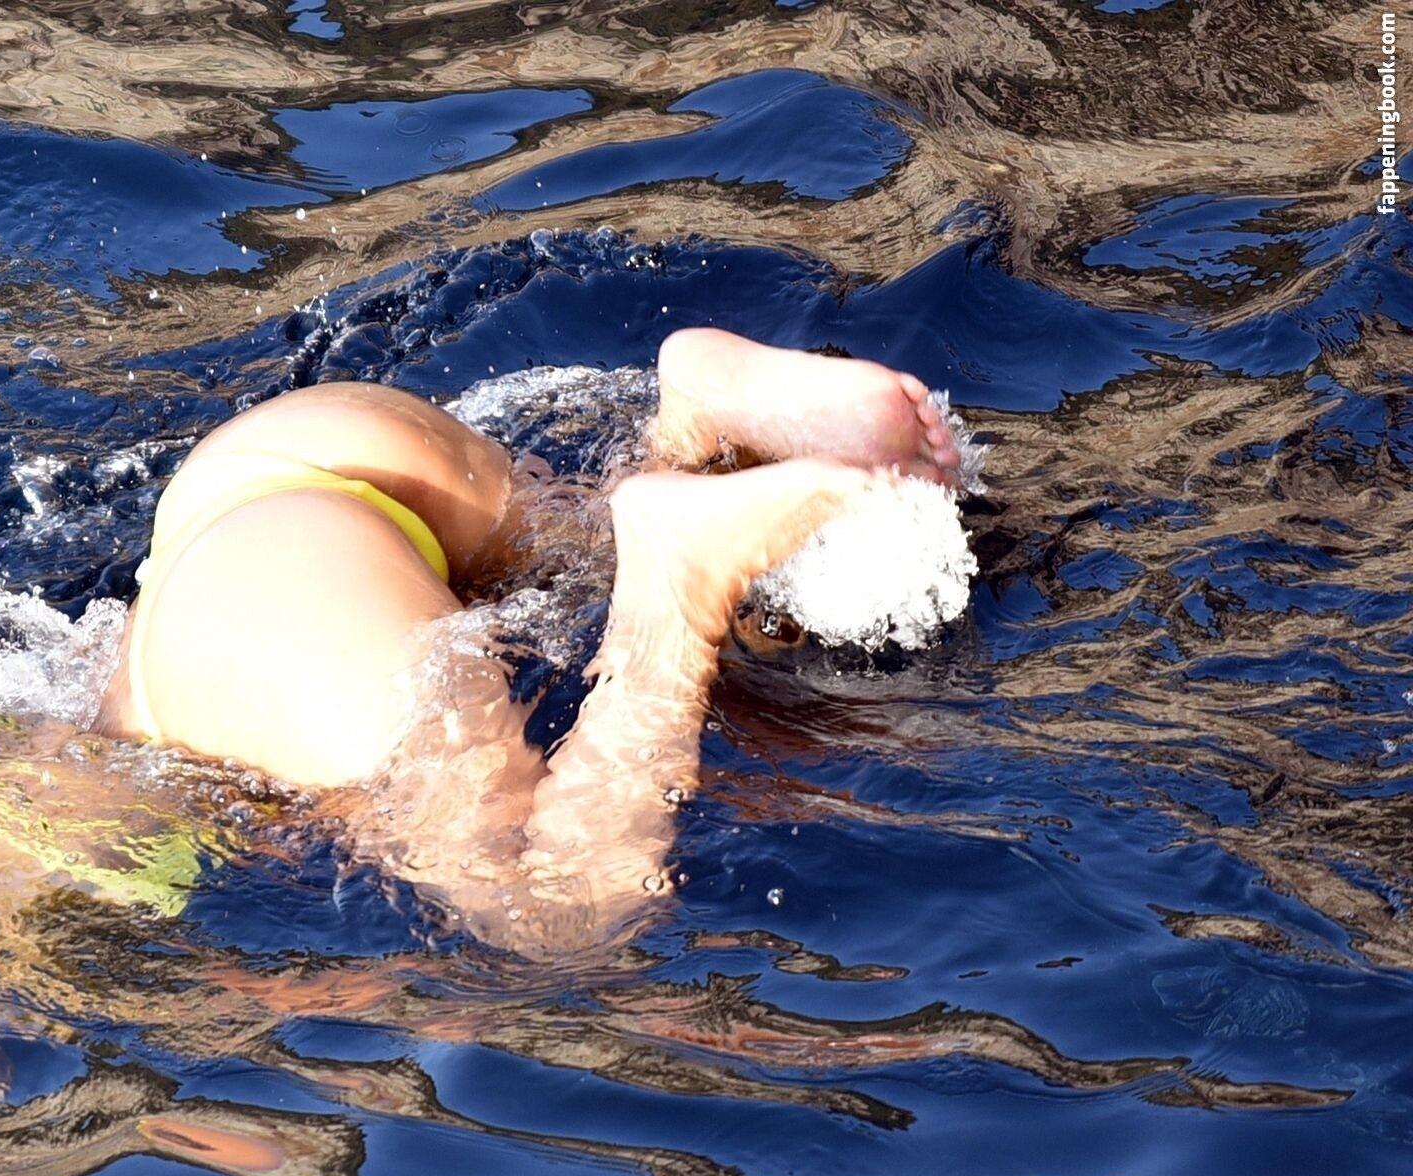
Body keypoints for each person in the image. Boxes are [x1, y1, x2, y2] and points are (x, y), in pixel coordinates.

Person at [81, 327, 963, 954]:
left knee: (551, 918)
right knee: (570, 558)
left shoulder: (69, 879)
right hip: (277, 459)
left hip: (271, 596)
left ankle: (676, 587)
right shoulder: (79, 703)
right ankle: (692, 432)